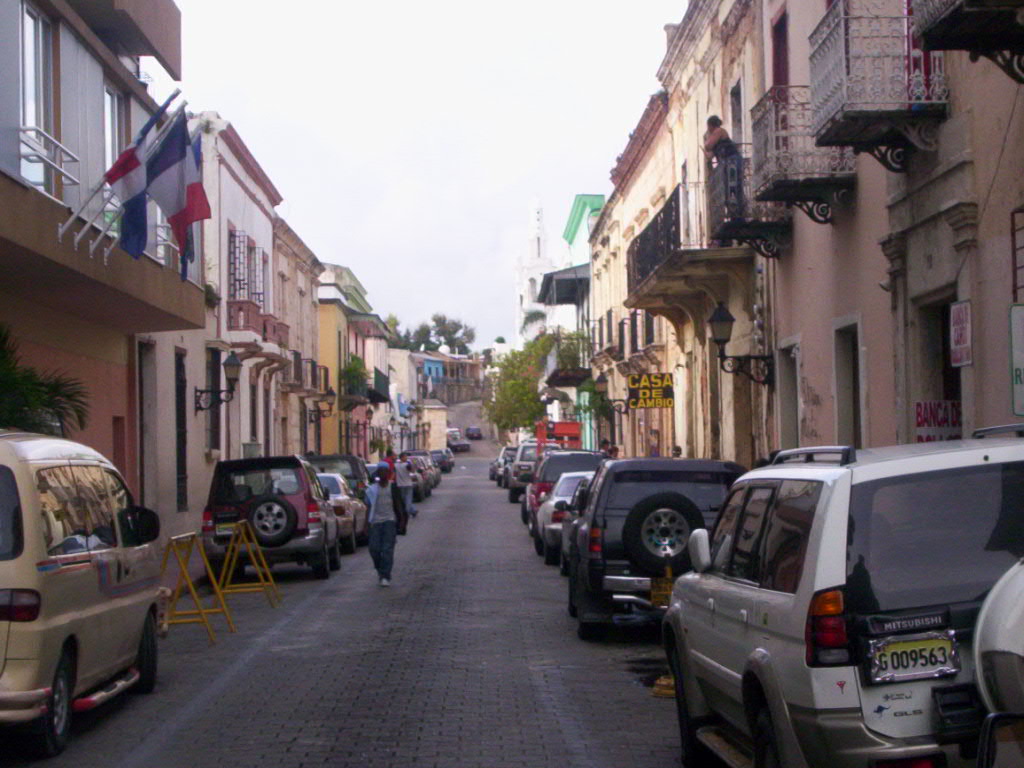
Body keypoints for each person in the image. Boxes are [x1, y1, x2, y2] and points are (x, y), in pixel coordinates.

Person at [702, 115, 745, 220]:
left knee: (734, 185)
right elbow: (710, 156)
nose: (708, 129)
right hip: (727, 164)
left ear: (711, 125)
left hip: (732, 161)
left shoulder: (719, 131)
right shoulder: (716, 138)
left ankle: (739, 212)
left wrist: (706, 139)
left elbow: (708, 145)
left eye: (708, 127)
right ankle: (734, 212)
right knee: (729, 188)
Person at [364, 462, 398, 587]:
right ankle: (380, 569)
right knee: (374, 549)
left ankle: (385, 575)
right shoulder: (372, 490)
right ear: (378, 473)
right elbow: (368, 507)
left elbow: (398, 505)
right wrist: (366, 524)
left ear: (388, 473)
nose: (383, 474)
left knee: (387, 550)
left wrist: (401, 522)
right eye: (381, 471)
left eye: (385, 471)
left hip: (389, 521)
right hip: (375, 523)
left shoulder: (392, 488)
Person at [395, 451, 417, 520]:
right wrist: (413, 463)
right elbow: (413, 471)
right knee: (408, 500)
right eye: (405, 457)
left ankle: (413, 511)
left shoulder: (396, 465)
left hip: (400, 485)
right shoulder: (407, 465)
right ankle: (407, 512)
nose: (406, 458)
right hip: (408, 484)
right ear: (402, 457)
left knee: (404, 500)